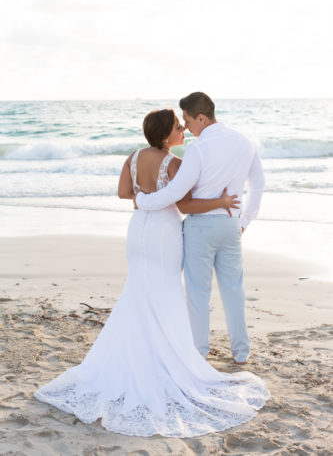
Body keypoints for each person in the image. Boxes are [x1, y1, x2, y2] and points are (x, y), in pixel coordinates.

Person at [34, 108, 269, 438]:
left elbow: (123, 193)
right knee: (166, 293)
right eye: (177, 127)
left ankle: (136, 354)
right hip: (163, 233)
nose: (182, 131)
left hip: (138, 231)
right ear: (165, 135)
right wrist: (220, 201)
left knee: (138, 291)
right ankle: (163, 358)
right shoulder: (174, 163)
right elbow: (184, 205)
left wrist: (143, 198)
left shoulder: (132, 156)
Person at [136, 93, 266, 365]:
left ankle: (199, 352)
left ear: (202, 118)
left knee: (198, 292)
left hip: (200, 229)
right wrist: (244, 221)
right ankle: (241, 352)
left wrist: (142, 200)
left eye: (187, 120)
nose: (186, 128)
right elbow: (258, 184)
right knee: (234, 290)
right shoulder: (245, 142)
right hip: (231, 225)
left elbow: (176, 191)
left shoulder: (198, 149)